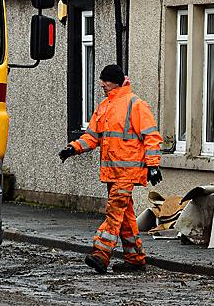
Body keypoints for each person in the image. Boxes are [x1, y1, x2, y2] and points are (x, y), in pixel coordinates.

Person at [58, 64, 163, 274]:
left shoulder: (136, 105)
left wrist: (153, 166)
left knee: (114, 214)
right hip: (112, 173)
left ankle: (100, 254)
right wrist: (73, 148)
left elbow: (151, 136)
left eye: (105, 80)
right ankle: (135, 259)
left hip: (127, 173)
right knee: (125, 217)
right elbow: (92, 137)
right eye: (101, 80)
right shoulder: (105, 106)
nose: (102, 84)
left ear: (115, 81)